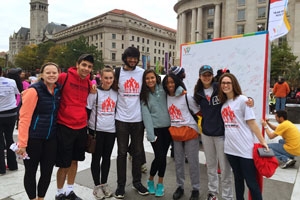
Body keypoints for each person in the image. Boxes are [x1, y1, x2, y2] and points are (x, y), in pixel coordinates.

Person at [218, 73, 269, 200]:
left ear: (233, 84)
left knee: (251, 182)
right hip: (230, 149)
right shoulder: (223, 104)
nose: (225, 85)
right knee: (238, 180)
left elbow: (252, 123)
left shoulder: (242, 100)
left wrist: (263, 141)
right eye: (223, 83)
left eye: (228, 83)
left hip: (245, 149)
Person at [17, 62, 61, 200]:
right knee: (31, 172)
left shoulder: (57, 90)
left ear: (58, 74)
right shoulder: (33, 90)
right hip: (34, 139)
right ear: (42, 74)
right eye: (48, 72)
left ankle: (41, 197)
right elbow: (24, 118)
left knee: (47, 172)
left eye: (54, 72)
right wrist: (22, 143)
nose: (51, 75)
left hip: (51, 138)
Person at [55, 54, 94, 200]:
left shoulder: (89, 83)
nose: (86, 69)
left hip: (81, 126)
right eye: (84, 65)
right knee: (63, 163)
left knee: (75, 161)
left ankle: (70, 190)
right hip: (65, 125)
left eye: (89, 67)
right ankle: (59, 193)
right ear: (77, 64)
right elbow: (46, 85)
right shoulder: (63, 77)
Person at [193, 65, 234, 200]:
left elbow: (235, 96)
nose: (206, 77)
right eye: (204, 75)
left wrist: (248, 100)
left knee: (225, 167)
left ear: (212, 76)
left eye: (209, 74)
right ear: (200, 76)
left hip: (221, 134)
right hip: (206, 134)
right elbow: (198, 110)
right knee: (211, 166)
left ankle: (227, 196)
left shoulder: (219, 87)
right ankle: (213, 193)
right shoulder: (198, 92)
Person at [114, 47, 149, 199]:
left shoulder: (142, 73)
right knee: (121, 153)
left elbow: (154, 86)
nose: (133, 60)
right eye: (130, 57)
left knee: (137, 152)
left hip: (138, 119)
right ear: (125, 58)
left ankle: (137, 182)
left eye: (135, 58)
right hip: (121, 119)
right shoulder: (118, 73)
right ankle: (120, 186)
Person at [141, 69, 180, 197]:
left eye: (152, 78)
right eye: (147, 79)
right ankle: (151, 179)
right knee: (160, 156)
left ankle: (160, 183)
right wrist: (150, 134)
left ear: (156, 78)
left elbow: (174, 88)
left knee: (162, 157)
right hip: (155, 130)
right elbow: (146, 116)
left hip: (168, 129)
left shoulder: (162, 89)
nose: (150, 80)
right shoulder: (144, 96)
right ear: (144, 81)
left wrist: (179, 91)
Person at [163, 73, 200, 200]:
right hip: (176, 132)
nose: (170, 85)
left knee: (193, 162)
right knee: (178, 162)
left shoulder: (186, 97)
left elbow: (198, 112)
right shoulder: (166, 97)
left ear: (177, 82)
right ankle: (180, 186)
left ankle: (196, 189)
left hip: (190, 130)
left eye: (172, 82)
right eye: (167, 82)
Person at [86, 67, 118, 200]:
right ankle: (97, 186)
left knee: (106, 158)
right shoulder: (94, 92)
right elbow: (87, 111)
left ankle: (104, 183)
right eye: (106, 78)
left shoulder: (116, 93)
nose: (108, 80)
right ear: (101, 78)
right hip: (96, 130)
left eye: (111, 78)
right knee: (96, 158)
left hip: (111, 130)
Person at [0, 66, 19, 175]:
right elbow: (16, 92)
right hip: (11, 114)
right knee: (9, 138)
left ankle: (1, 168)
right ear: (2, 72)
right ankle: (13, 165)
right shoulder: (11, 81)